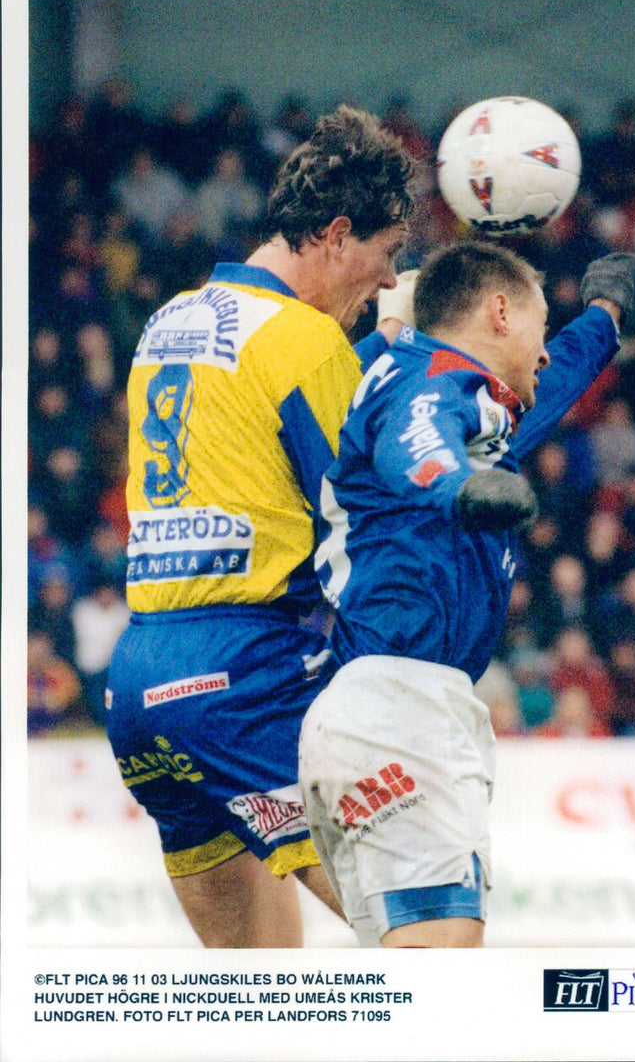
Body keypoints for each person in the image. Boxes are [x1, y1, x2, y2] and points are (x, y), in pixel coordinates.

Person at [105, 105, 417, 948]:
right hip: (245, 676)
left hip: (140, 683)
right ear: (338, 233)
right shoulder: (307, 343)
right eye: (388, 255)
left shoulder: (169, 320)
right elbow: (360, 504)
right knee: (427, 936)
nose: (389, 280)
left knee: (258, 998)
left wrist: (370, 344)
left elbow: (256, 429)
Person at [299, 240, 635, 947]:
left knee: (422, 975)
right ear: (499, 312)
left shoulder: (474, 404)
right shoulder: (425, 381)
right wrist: (459, 486)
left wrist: (603, 316)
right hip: (397, 702)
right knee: (438, 972)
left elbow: (554, 382)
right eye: (541, 327)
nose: (546, 351)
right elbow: (416, 440)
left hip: (398, 703)